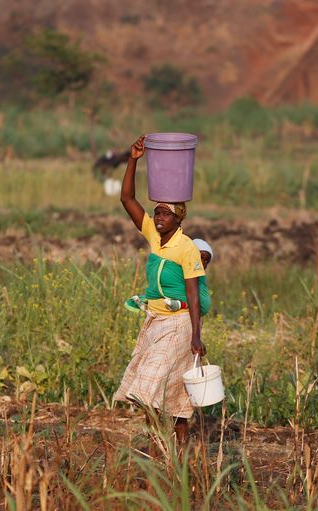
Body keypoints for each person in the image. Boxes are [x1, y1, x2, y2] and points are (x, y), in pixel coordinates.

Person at [114, 135, 206, 446]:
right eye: (157, 213)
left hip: (179, 324)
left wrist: (196, 335)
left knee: (148, 387)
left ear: (179, 218)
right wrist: (134, 160)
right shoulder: (155, 236)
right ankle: (170, 449)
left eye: (165, 213)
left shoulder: (187, 248)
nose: (158, 217)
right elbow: (127, 199)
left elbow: (194, 295)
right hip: (154, 321)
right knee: (168, 392)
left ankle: (165, 447)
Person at [124, 237, 214, 315]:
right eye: (200, 257)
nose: (203, 262)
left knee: (198, 301)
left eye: (206, 261)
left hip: (183, 299)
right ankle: (148, 303)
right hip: (175, 294)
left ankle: (155, 304)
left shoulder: (199, 273)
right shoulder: (180, 265)